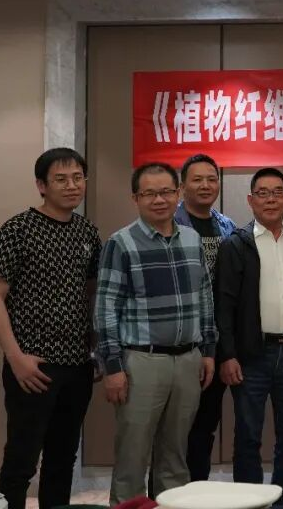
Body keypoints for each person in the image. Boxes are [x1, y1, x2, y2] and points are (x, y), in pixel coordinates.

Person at [0, 148, 101, 509]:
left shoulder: (87, 232)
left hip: (78, 366)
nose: (71, 185)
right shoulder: (17, 229)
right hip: (32, 366)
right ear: (41, 185)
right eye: (61, 179)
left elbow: (92, 294)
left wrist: (95, 350)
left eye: (77, 177)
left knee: (62, 460)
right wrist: (15, 357)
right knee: (21, 460)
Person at [95, 162, 217, 505]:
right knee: (132, 458)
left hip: (188, 360)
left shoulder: (192, 239)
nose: (159, 200)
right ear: (135, 198)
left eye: (166, 192)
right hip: (141, 362)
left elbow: (205, 297)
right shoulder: (121, 243)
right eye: (149, 193)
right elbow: (106, 309)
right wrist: (113, 367)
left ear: (178, 194)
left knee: (175, 457)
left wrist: (208, 350)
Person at [216, 167, 283, 506]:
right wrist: (227, 354)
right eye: (262, 193)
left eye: (277, 192)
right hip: (252, 356)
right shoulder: (236, 244)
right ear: (251, 200)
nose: (271, 199)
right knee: (248, 435)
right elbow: (224, 305)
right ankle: (249, 501)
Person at [175, 154, 237, 482]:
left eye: (212, 179)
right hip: (180, 339)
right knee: (173, 431)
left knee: (204, 427)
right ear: (182, 186)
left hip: (216, 339)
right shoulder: (168, 223)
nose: (205, 185)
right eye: (197, 179)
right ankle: (166, 497)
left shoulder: (227, 227)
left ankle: (197, 491)